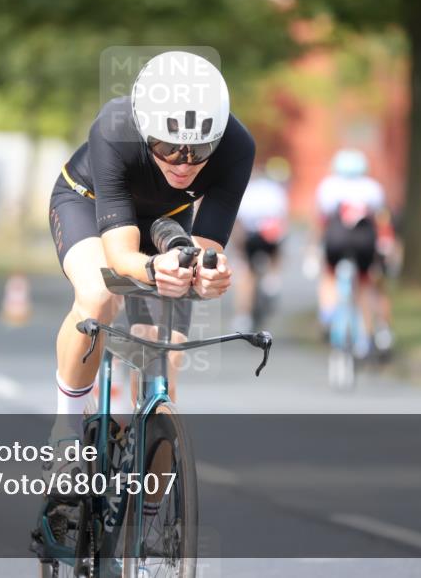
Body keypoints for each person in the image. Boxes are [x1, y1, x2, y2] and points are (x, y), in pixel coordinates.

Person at [46, 51, 255, 476]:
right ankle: (65, 430)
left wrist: (206, 275)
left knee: (164, 360)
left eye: (200, 150)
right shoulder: (115, 126)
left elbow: (206, 244)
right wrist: (151, 272)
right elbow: (121, 255)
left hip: (165, 221)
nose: (183, 163)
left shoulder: (237, 147)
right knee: (100, 294)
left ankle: (154, 521)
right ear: (144, 130)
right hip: (88, 205)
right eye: (166, 146)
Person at [314, 148, 394, 355]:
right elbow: (380, 219)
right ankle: (365, 340)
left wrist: (315, 248)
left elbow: (321, 221)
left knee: (329, 275)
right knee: (366, 285)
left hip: (336, 239)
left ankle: (328, 315)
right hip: (365, 241)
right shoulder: (373, 188)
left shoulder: (328, 186)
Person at [231, 158, 290, 331]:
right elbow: (282, 219)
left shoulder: (243, 189)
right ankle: (273, 280)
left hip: (249, 235)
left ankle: (243, 315)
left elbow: (237, 222)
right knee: (276, 254)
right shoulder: (275, 190)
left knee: (246, 274)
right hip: (270, 236)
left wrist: (239, 249)